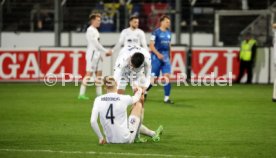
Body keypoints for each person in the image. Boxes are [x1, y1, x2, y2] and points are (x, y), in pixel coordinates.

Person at [113, 45, 163, 142]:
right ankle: (120, 126)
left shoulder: (147, 59)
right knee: (118, 100)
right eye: (131, 64)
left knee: (141, 99)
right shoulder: (123, 59)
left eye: (134, 66)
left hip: (137, 75)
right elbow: (116, 78)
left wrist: (144, 88)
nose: (132, 67)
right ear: (131, 59)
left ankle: (136, 134)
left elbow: (148, 75)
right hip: (123, 73)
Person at [90, 76, 144, 144]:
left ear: (105, 87)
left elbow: (93, 121)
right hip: (126, 139)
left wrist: (101, 138)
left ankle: (150, 133)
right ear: (116, 84)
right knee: (138, 104)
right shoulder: (124, 98)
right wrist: (139, 89)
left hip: (110, 141)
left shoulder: (98, 99)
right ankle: (136, 136)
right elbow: (137, 97)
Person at [78, 13, 112, 100]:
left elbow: (97, 44)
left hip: (96, 54)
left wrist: (100, 54)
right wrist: (105, 51)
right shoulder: (90, 30)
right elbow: (96, 44)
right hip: (92, 54)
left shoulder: (95, 30)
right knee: (89, 74)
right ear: (92, 21)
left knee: (99, 74)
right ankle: (81, 94)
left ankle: (99, 94)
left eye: (100, 20)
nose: (99, 22)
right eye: (98, 20)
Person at [145, 15, 173, 104]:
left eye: (169, 22)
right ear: (162, 22)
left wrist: (170, 57)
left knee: (167, 77)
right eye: (167, 22)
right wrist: (158, 54)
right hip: (156, 57)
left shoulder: (169, 33)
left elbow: (169, 46)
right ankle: (145, 91)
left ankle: (166, 98)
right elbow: (151, 46)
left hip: (165, 59)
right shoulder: (155, 33)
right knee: (154, 79)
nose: (168, 23)